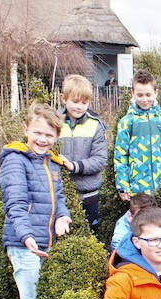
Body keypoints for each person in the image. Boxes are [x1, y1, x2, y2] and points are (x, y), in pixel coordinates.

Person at [0, 103, 72, 299]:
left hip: (46, 242)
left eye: (49, 135)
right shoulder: (15, 160)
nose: (42, 139)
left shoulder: (51, 163)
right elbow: (15, 203)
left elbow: (58, 198)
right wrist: (26, 236)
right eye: (37, 132)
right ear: (25, 129)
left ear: (57, 136)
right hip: (25, 244)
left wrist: (62, 216)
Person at [57, 74, 108, 234]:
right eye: (75, 101)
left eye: (84, 102)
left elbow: (100, 160)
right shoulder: (54, 123)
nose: (79, 106)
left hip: (90, 194)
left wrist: (75, 166)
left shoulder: (95, 126)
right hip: (62, 195)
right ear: (63, 98)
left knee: (91, 235)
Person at [114, 69, 161, 199]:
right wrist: (123, 185)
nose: (145, 99)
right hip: (137, 189)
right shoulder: (127, 122)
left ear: (155, 93)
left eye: (148, 94)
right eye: (140, 95)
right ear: (133, 94)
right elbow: (120, 155)